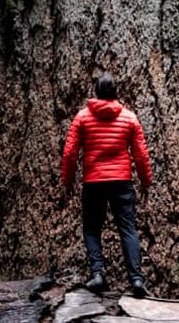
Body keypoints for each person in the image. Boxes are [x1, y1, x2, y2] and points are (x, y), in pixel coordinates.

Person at [60, 72, 153, 297]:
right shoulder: (129, 118)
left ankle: (98, 274)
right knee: (128, 229)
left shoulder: (82, 118)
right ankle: (137, 279)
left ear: (96, 92)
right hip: (122, 182)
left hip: (94, 182)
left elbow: (70, 153)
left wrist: (68, 180)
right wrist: (145, 181)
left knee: (92, 229)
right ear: (116, 93)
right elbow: (141, 154)